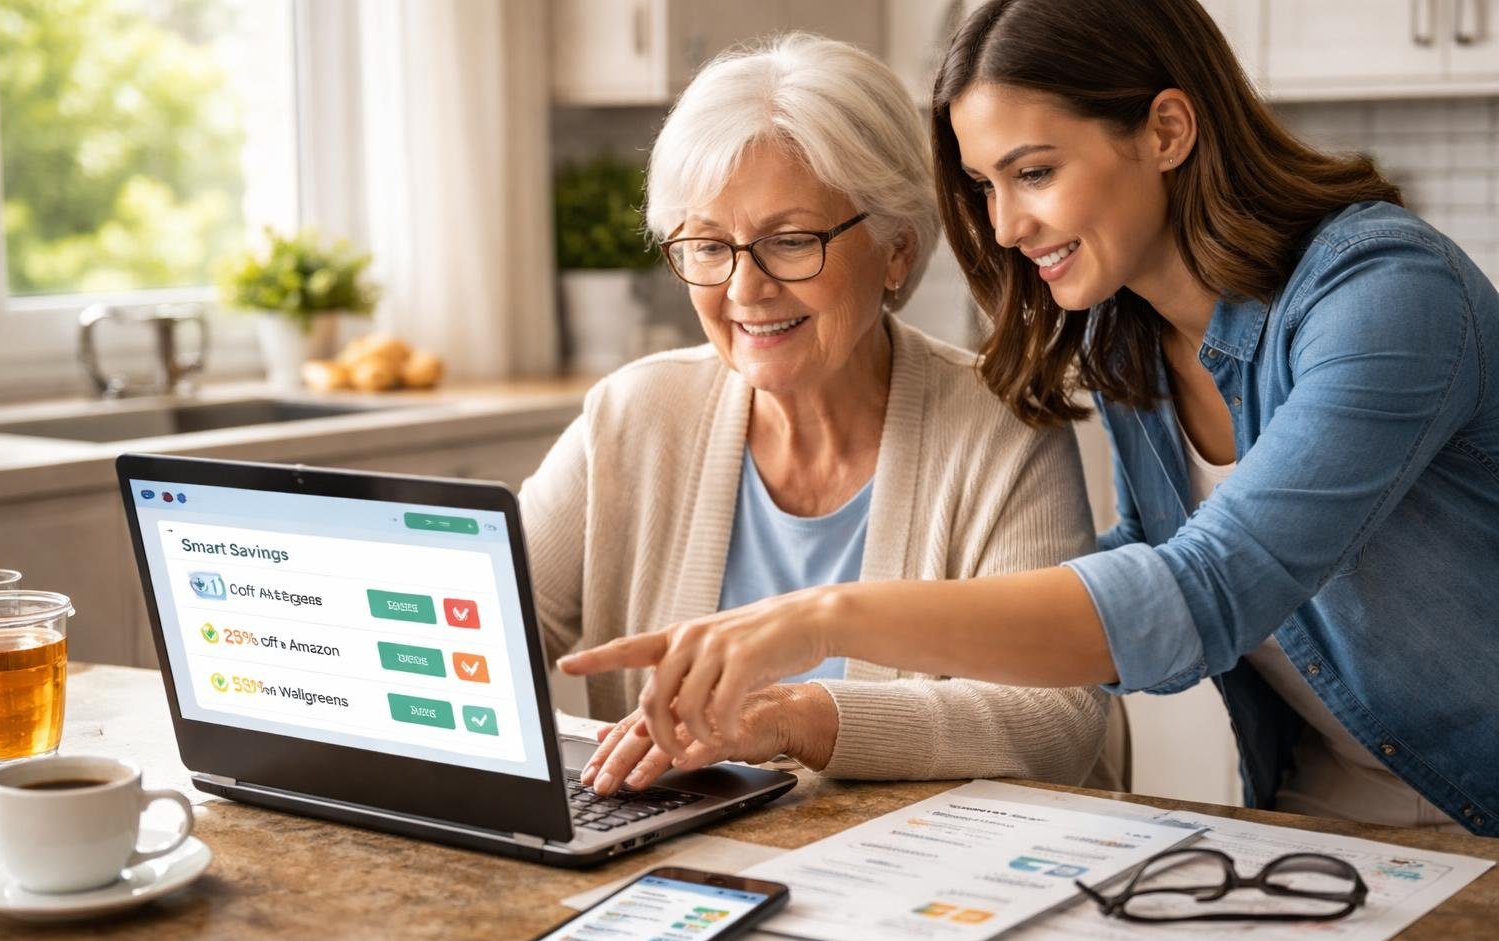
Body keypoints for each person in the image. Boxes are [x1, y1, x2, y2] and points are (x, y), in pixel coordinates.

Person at [561, 0, 1499, 835]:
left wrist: (819, 620)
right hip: (1320, 820)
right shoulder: (1126, 339)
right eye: (985, 186)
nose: (1005, 227)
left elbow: (1201, 591)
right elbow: (1130, 566)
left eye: (1035, 171)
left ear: (1167, 129)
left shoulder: (1387, 297)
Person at [522, 33, 1110, 798]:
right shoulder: (636, 413)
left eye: (790, 241)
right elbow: (483, 622)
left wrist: (799, 717)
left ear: (896, 250)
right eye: (707, 245)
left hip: (925, 879)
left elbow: (1058, 720)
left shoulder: (1000, 425)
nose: (744, 289)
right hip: (684, 866)